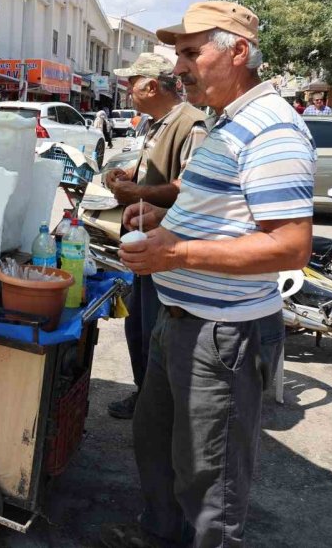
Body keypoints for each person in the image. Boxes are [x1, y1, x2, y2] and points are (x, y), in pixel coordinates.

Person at [104, 1, 314, 548]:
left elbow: (290, 246)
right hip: (181, 320)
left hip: (222, 333)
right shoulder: (229, 121)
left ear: (238, 51)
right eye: (178, 55)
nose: (178, 68)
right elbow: (222, 213)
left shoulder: (272, 129)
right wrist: (161, 218)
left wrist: (177, 254)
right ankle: (159, 535)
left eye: (191, 53)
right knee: (157, 445)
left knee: (210, 481)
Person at [103, 53, 208, 420]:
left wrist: (139, 194)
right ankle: (144, 394)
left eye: (131, 82)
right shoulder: (156, 123)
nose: (127, 89)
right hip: (144, 241)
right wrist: (124, 176)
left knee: (155, 330)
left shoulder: (191, 124)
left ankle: (157, 405)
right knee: (138, 327)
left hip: (167, 247)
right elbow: (152, 169)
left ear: (150, 85)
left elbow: (191, 188)